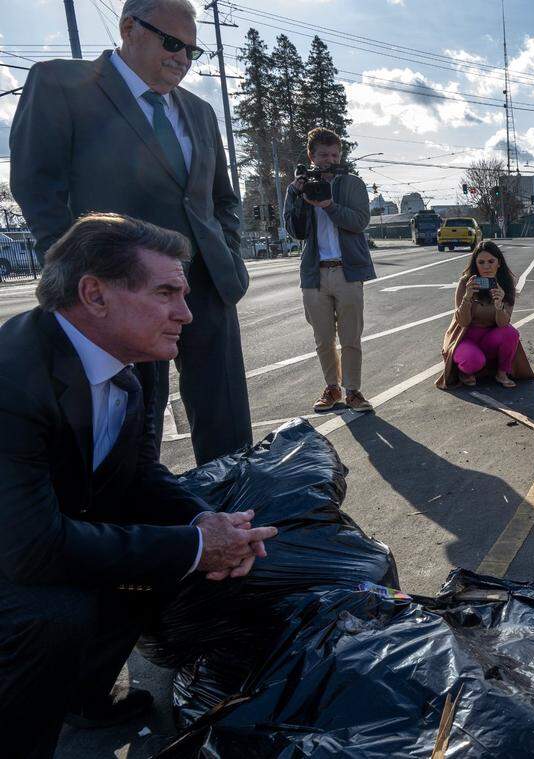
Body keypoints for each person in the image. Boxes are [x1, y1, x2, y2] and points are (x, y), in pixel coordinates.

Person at [0, 214, 278, 758]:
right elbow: (30, 551)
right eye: (166, 293)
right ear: (95, 295)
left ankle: (83, 696)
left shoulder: (139, 356)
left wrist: (204, 523)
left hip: (43, 528)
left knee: (161, 554)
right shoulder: (11, 379)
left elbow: (138, 472)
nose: (186, 313)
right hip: (13, 549)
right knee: (54, 614)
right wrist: (195, 548)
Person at [9, 0, 251, 466]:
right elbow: (37, 187)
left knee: (226, 425)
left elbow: (223, 199)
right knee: (133, 429)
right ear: (129, 28)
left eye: (191, 51)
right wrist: (80, 274)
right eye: (172, 43)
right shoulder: (63, 85)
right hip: (123, 288)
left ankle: (234, 519)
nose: (182, 58)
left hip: (207, 284)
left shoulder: (199, 113)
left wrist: (229, 252)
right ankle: (142, 530)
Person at [284, 127, 376, 414]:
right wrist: (299, 196)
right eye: (323, 155)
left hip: (347, 271)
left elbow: (359, 221)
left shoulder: (353, 184)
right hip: (315, 273)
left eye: (335, 154)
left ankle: (353, 391)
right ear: (311, 156)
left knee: (351, 336)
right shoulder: (297, 186)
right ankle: (332, 388)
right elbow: (294, 231)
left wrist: (328, 206)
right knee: (323, 338)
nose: (329, 160)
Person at [436, 241, 534, 389]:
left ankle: (501, 373)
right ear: (475, 264)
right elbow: (462, 322)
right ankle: (465, 371)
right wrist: (467, 297)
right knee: (472, 360)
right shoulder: (466, 282)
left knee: (511, 333)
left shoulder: (506, 284)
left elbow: (503, 324)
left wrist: (499, 304)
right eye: (481, 262)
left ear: (499, 263)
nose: (486, 266)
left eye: (491, 261)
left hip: (489, 338)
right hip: (464, 337)